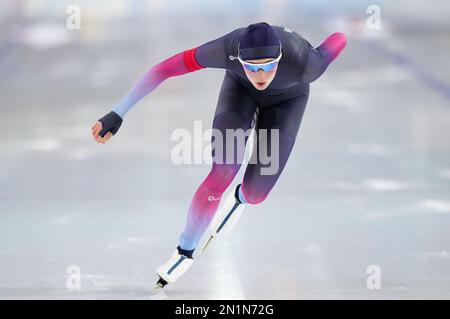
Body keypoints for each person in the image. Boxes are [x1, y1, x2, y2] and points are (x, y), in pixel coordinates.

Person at [91, 22, 346, 289]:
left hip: (288, 100)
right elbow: (165, 69)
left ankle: (240, 199)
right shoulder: (226, 49)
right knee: (223, 169)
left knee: (256, 194)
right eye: (252, 67)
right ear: (239, 59)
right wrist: (118, 112)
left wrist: (340, 33)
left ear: (281, 59)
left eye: (268, 66)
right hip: (240, 93)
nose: (260, 75)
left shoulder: (308, 63)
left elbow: (339, 38)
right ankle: (184, 251)